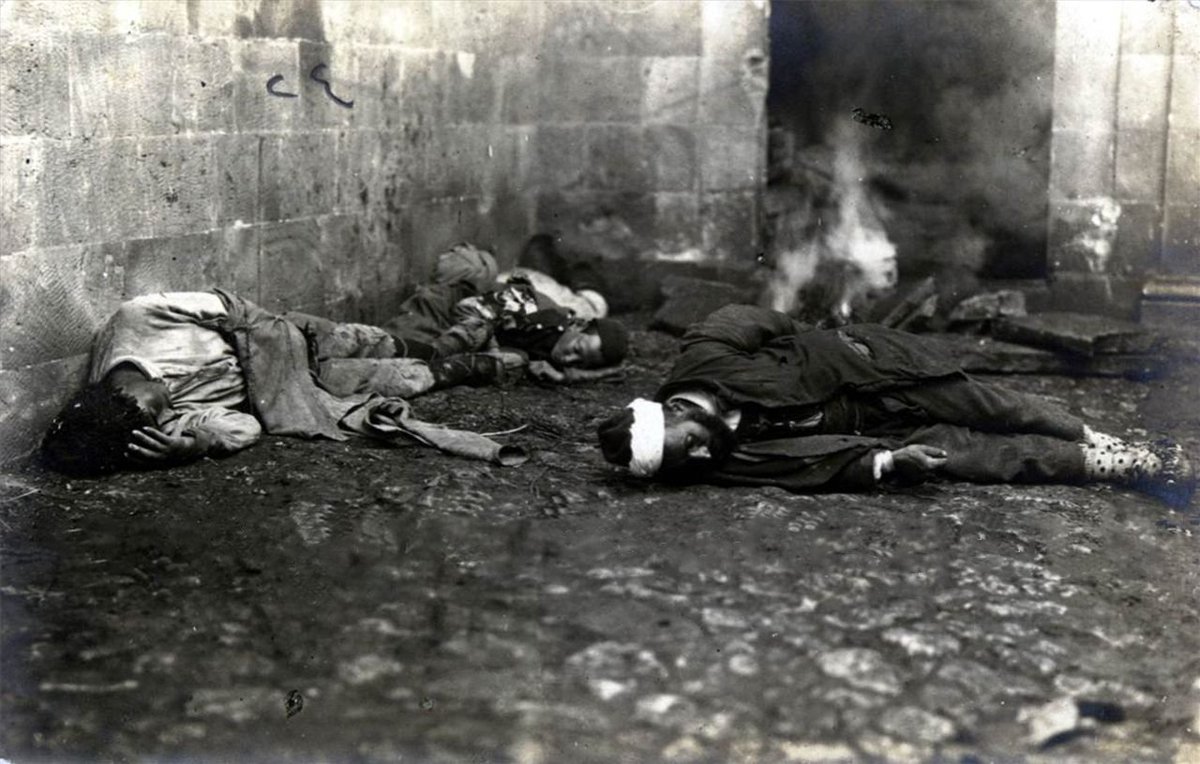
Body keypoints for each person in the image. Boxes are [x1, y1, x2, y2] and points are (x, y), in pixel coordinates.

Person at [597, 304, 1195, 507]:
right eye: (688, 462)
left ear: (672, 412)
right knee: (979, 457)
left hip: (875, 370)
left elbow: (745, 320)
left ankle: (1100, 438)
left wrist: (815, 340)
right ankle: (1130, 464)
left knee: (993, 404)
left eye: (689, 442)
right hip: (872, 430)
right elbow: (801, 468)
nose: (702, 453)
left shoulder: (702, 355)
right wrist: (887, 464)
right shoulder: (718, 459)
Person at [40, 290, 527, 477]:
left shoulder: (140, 319)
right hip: (304, 388)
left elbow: (232, 307)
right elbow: (246, 428)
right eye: (162, 423)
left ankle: (485, 321)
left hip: (293, 335)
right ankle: (487, 363)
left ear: (116, 389)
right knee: (409, 381)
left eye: (154, 412)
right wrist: (195, 443)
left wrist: (280, 353)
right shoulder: (169, 422)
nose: (169, 413)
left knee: (394, 344)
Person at [381, 243, 629, 385]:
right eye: (577, 350)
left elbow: (618, 370)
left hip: (458, 330)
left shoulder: (557, 342)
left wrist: (567, 376)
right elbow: (467, 309)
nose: (570, 360)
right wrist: (495, 353)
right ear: (578, 325)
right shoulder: (536, 309)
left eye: (580, 363)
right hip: (440, 311)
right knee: (387, 354)